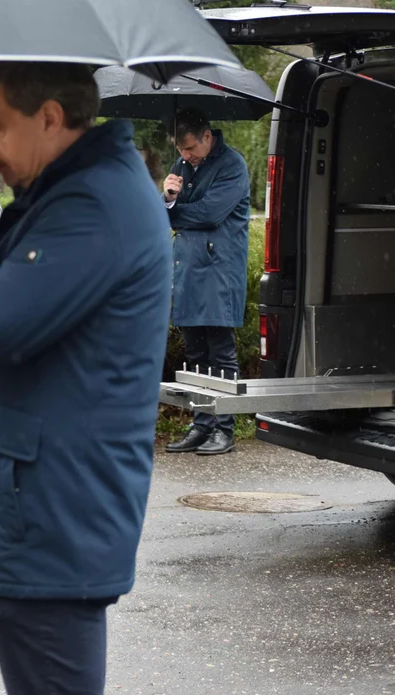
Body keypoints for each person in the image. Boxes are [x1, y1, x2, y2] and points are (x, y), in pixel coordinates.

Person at [0, 61, 171, 695]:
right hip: (39, 502)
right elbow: (20, 328)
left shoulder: (90, 201)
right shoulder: (68, 189)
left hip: (50, 508)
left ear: (49, 117)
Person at [163, 109, 250, 457]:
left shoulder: (232, 165)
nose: (185, 156)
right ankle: (201, 425)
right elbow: (170, 217)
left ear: (207, 136)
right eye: (180, 150)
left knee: (221, 353)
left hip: (219, 269)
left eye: (190, 148)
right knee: (196, 355)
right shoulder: (181, 167)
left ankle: (224, 429)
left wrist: (175, 212)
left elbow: (210, 213)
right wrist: (167, 198)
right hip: (187, 268)